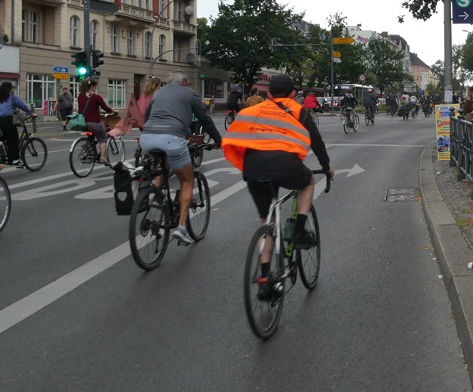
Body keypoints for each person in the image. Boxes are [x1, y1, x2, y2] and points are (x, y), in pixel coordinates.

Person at [222, 74, 334, 300]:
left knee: (269, 222)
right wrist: (326, 166)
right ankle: (300, 230)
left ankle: (265, 278)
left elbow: (236, 134)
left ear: (269, 95)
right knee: (308, 182)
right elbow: (317, 142)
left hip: (253, 169)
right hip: (285, 166)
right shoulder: (299, 110)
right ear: (293, 94)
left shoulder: (253, 111)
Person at [141, 70, 222, 245]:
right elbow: (205, 119)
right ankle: (182, 228)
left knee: (163, 164)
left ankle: (158, 196)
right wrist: (218, 140)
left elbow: (147, 117)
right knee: (187, 180)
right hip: (172, 138)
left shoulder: (159, 92)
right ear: (185, 83)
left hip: (147, 139)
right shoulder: (190, 94)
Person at [0, 82, 35, 166]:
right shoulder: (13, 98)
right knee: (13, 139)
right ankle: (14, 159)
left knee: (1, 137)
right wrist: (31, 113)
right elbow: (23, 106)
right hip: (5, 121)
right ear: (10, 89)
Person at [78, 78, 116, 163]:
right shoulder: (96, 97)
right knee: (103, 138)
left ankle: (87, 143)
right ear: (91, 87)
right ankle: (102, 157)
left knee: (91, 134)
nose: (95, 88)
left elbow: (82, 109)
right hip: (94, 122)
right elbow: (106, 108)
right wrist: (113, 111)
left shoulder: (80, 97)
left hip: (83, 123)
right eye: (95, 87)